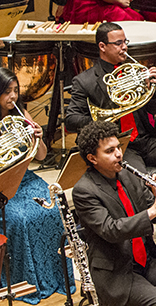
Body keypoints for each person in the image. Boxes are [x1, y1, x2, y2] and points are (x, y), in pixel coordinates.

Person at [64, 22, 156, 249]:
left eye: (125, 42)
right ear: (102, 46)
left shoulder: (135, 71)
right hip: (119, 146)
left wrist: (153, 88)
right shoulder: (85, 81)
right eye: (118, 43)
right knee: (138, 181)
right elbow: (71, 120)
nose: (124, 48)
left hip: (144, 139)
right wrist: (104, 121)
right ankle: (142, 242)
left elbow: (152, 110)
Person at [73, 121, 156, 306]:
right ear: (92, 158)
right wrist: (152, 210)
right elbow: (110, 230)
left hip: (147, 260)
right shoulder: (84, 190)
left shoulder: (130, 175)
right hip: (117, 273)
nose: (119, 154)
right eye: (110, 151)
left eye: (119, 147)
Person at [0, 68, 75, 304]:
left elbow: (41, 156)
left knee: (53, 208)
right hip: (2, 183)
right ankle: (27, 281)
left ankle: (56, 275)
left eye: (15, 91)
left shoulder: (22, 115)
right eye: (7, 92)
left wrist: (38, 137)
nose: (13, 97)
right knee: (20, 218)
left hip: (24, 177)